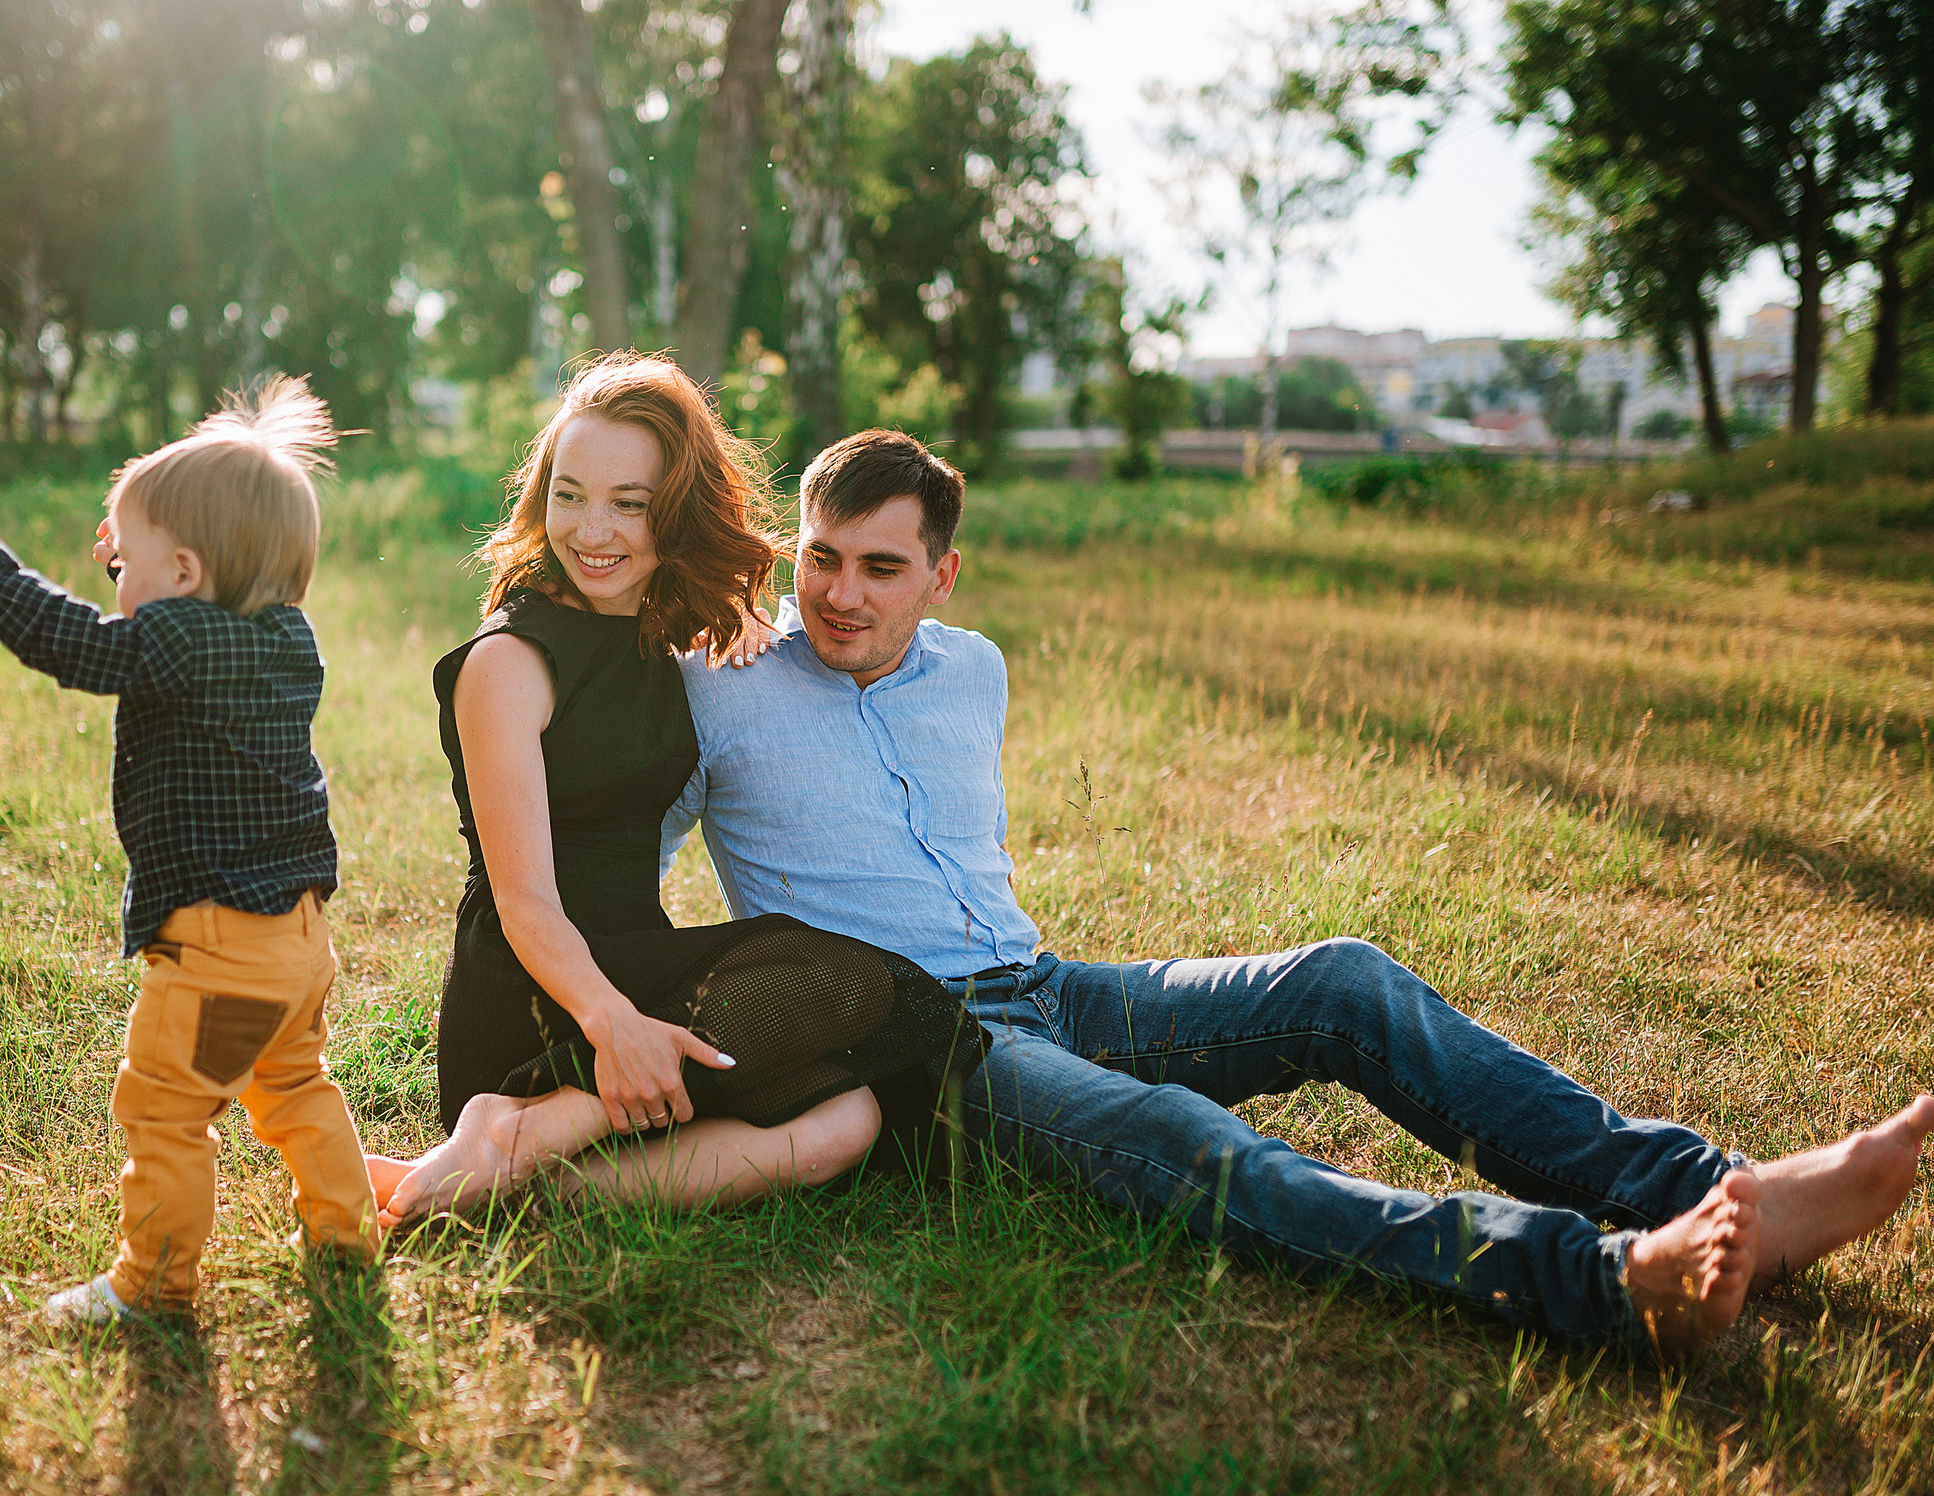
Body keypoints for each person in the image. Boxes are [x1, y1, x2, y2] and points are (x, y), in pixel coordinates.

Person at [661, 428, 1927, 1358]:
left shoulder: (972, 667)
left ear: (943, 577)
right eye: (822, 558)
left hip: (1044, 986)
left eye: (881, 568)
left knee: (1342, 980)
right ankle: (1599, 1280)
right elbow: (605, 863)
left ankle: (1711, 1192)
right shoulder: (720, 684)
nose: (840, 594)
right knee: (1180, 1137)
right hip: (924, 1049)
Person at [373, 357, 979, 1228]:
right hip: (542, 992)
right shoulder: (508, 662)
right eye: (570, 495)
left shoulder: (657, 627)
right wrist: (615, 1024)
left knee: (850, 1118)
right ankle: (516, 1118)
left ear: (677, 509)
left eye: (630, 504)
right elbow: (525, 904)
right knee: (850, 977)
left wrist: (740, 607)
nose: (593, 530)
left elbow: (729, 610)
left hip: (636, 965)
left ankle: (524, 1179)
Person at [0, 380, 379, 1323]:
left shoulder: (176, 640)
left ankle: (154, 1285)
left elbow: (80, 646)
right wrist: (134, 569)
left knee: (167, 1109)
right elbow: (166, 626)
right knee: (296, 1088)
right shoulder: (285, 638)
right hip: (298, 944)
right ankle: (346, 1240)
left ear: (182, 570)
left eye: (128, 564)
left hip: (220, 954)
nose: (117, 579)